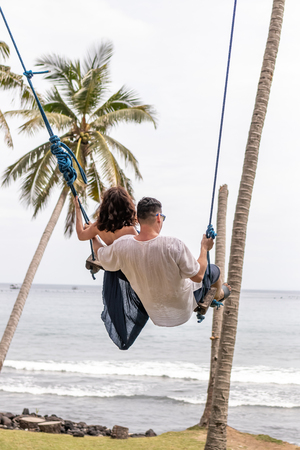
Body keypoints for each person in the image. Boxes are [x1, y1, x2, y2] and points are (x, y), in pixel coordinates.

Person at [92, 196, 230, 327]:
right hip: (183, 309)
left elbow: (100, 254)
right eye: (162, 217)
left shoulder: (122, 246)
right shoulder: (173, 245)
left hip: (155, 314)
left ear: (137, 219)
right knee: (214, 270)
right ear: (158, 217)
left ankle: (214, 296)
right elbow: (198, 276)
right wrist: (204, 248)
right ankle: (219, 295)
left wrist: (93, 238)